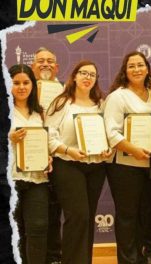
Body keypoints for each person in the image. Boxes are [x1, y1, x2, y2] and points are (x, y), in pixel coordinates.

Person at [45, 60, 110, 264]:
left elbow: (110, 133)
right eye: (83, 73)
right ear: (74, 76)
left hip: (96, 167)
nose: (87, 77)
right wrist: (68, 150)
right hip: (67, 164)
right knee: (78, 216)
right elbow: (48, 136)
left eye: (92, 74)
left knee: (88, 217)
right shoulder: (61, 103)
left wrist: (110, 149)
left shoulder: (101, 104)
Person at [104, 51, 151, 264]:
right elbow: (111, 133)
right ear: (125, 72)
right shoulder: (118, 96)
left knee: (146, 215)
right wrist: (134, 150)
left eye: (140, 65)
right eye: (131, 66)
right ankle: (128, 260)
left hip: (150, 164)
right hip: (124, 165)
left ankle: (142, 258)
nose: (137, 69)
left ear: (147, 68)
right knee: (128, 216)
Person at [8, 64, 50, 264]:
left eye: (26, 82)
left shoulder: (39, 112)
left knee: (38, 227)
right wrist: (9, 138)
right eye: (16, 83)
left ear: (33, 85)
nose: (21, 87)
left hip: (37, 178)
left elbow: (46, 142)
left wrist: (47, 158)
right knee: (13, 231)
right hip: (10, 180)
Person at [31, 47, 62, 264]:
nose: (45, 64)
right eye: (40, 61)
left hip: (59, 160)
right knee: (33, 217)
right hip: (30, 162)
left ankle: (54, 257)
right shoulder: (21, 89)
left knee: (55, 211)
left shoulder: (65, 91)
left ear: (57, 67)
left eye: (50, 61)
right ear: (33, 66)